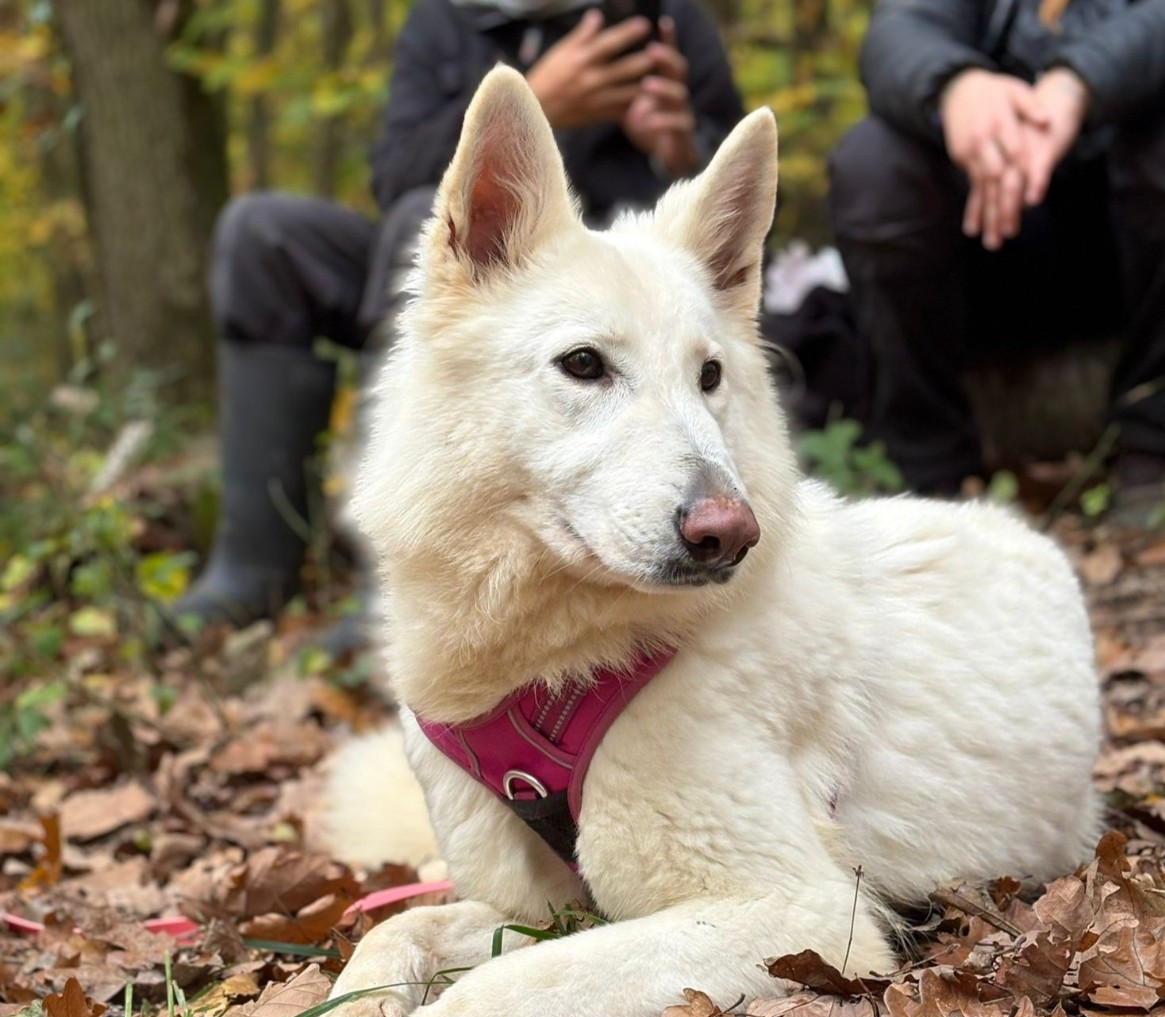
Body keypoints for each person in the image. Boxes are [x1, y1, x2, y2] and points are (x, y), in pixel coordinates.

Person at [177, 0, 744, 627]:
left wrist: (679, 149)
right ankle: (251, 567)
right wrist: (547, 99)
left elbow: (727, 197)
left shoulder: (667, 16)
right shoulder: (445, 19)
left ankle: (387, 590)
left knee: (411, 230)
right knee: (265, 236)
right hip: (486, 263)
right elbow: (396, 175)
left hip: (613, 281)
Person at [827, 0, 1165, 502]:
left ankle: (1152, 446)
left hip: (1128, 249)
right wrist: (956, 86)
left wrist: (1078, 82)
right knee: (872, 160)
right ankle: (929, 472)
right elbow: (898, 29)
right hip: (981, 248)